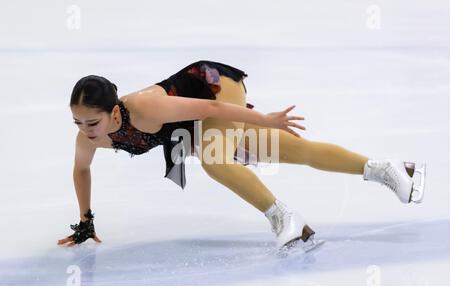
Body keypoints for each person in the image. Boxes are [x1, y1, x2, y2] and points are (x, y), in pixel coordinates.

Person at [57, 60, 426, 250]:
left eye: (92, 122)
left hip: (215, 85)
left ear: (114, 112)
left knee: (214, 158)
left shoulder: (147, 108)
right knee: (295, 151)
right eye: (77, 122)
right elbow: (81, 171)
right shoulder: (91, 139)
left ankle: (283, 218)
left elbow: (205, 108)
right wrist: (86, 220)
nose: (85, 131)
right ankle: (390, 171)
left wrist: (264, 118)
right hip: (197, 118)